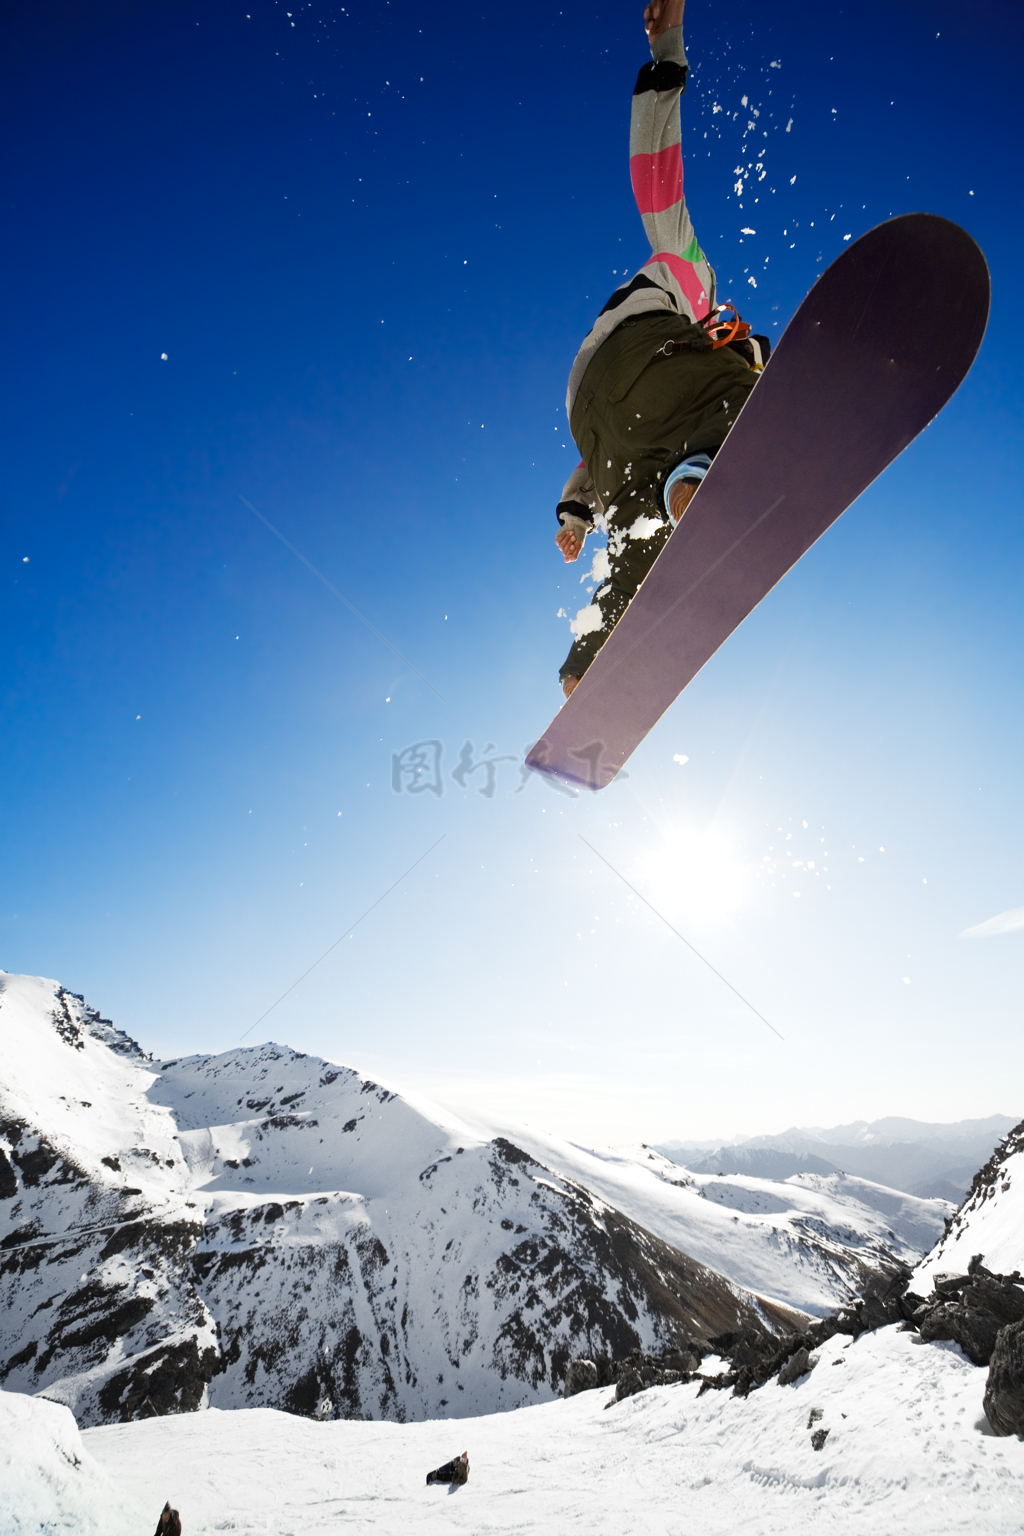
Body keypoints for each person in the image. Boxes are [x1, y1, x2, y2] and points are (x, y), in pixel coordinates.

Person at [555, 0, 769, 697]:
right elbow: (658, 183)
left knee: (640, 549)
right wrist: (668, 54)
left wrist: (576, 513)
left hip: (598, 420)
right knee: (751, 400)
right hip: (636, 359)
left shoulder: (689, 369)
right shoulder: (692, 277)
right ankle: (698, 478)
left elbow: (592, 462)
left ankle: (587, 669)